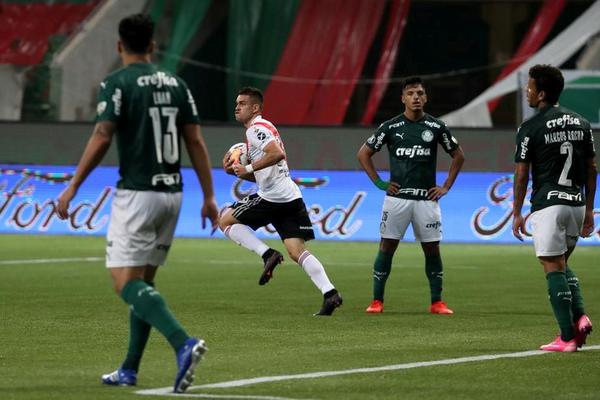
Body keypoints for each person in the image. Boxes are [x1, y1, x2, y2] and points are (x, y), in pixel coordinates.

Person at [57, 14, 219, 392]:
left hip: (137, 194)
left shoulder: (117, 83)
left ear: (119, 46)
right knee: (145, 283)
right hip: (173, 195)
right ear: (152, 46)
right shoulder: (178, 84)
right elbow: (195, 141)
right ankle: (129, 369)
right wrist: (209, 195)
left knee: (124, 283)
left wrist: (72, 187)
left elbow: (102, 135)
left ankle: (183, 343)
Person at [219, 87, 342, 316]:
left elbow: (276, 154)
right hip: (289, 196)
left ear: (255, 108)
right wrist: (238, 172)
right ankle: (330, 294)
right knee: (297, 251)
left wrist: (246, 167)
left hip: (273, 198)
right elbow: (266, 171)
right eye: (237, 103)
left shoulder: (255, 129)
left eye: (242, 103)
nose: (237, 107)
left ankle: (268, 254)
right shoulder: (265, 128)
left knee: (225, 221)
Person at [357, 76, 465, 315]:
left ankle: (437, 302)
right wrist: (379, 182)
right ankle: (377, 301)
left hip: (427, 199)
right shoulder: (390, 127)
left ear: (425, 98)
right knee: (387, 246)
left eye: (420, 93)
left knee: (432, 248)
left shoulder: (436, 127)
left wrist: (446, 186)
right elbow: (363, 153)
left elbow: (459, 155)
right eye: (411, 93)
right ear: (403, 98)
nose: (416, 97)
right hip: (397, 199)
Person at [513, 64, 596, 352]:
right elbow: (592, 168)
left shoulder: (530, 127)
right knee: (561, 264)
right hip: (575, 204)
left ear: (541, 94)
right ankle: (580, 317)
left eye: (530, 87)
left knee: (552, 267)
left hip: (549, 204)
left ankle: (567, 336)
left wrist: (516, 212)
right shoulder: (582, 123)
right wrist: (589, 209)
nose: (527, 91)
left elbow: (521, 174)